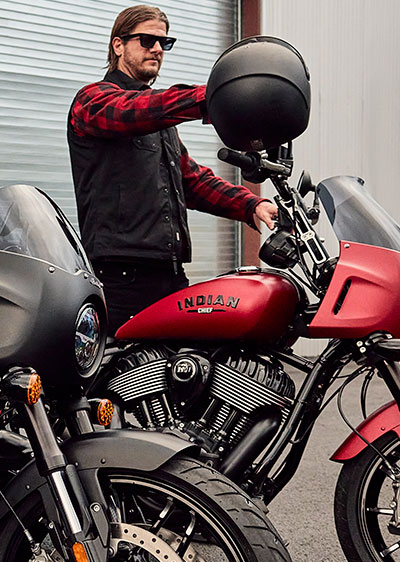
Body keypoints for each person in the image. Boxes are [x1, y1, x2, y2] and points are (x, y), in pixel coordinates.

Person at [68, 4, 277, 325]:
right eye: (147, 40)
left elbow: (191, 181)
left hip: (170, 272)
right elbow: (134, 111)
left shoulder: (161, 124)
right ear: (118, 45)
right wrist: (215, 96)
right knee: (121, 358)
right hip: (120, 279)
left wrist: (252, 205)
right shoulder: (93, 101)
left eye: (164, 42)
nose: (157, 49)